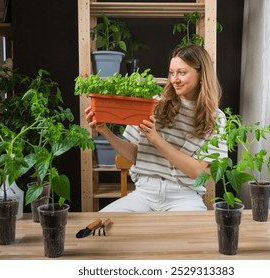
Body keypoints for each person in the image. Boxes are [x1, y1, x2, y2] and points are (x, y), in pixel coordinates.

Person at [85, 44, 227, 212]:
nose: (175, 79)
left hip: (184, 196)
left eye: (182, 72)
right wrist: (104, 131)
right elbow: (134, 154)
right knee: (102, 226)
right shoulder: (153, 104)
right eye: (172, 73)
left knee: (191, 235)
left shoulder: (216, 118)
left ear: (201, 74)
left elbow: (196, 171)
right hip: (144, 193)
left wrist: (156, 140)